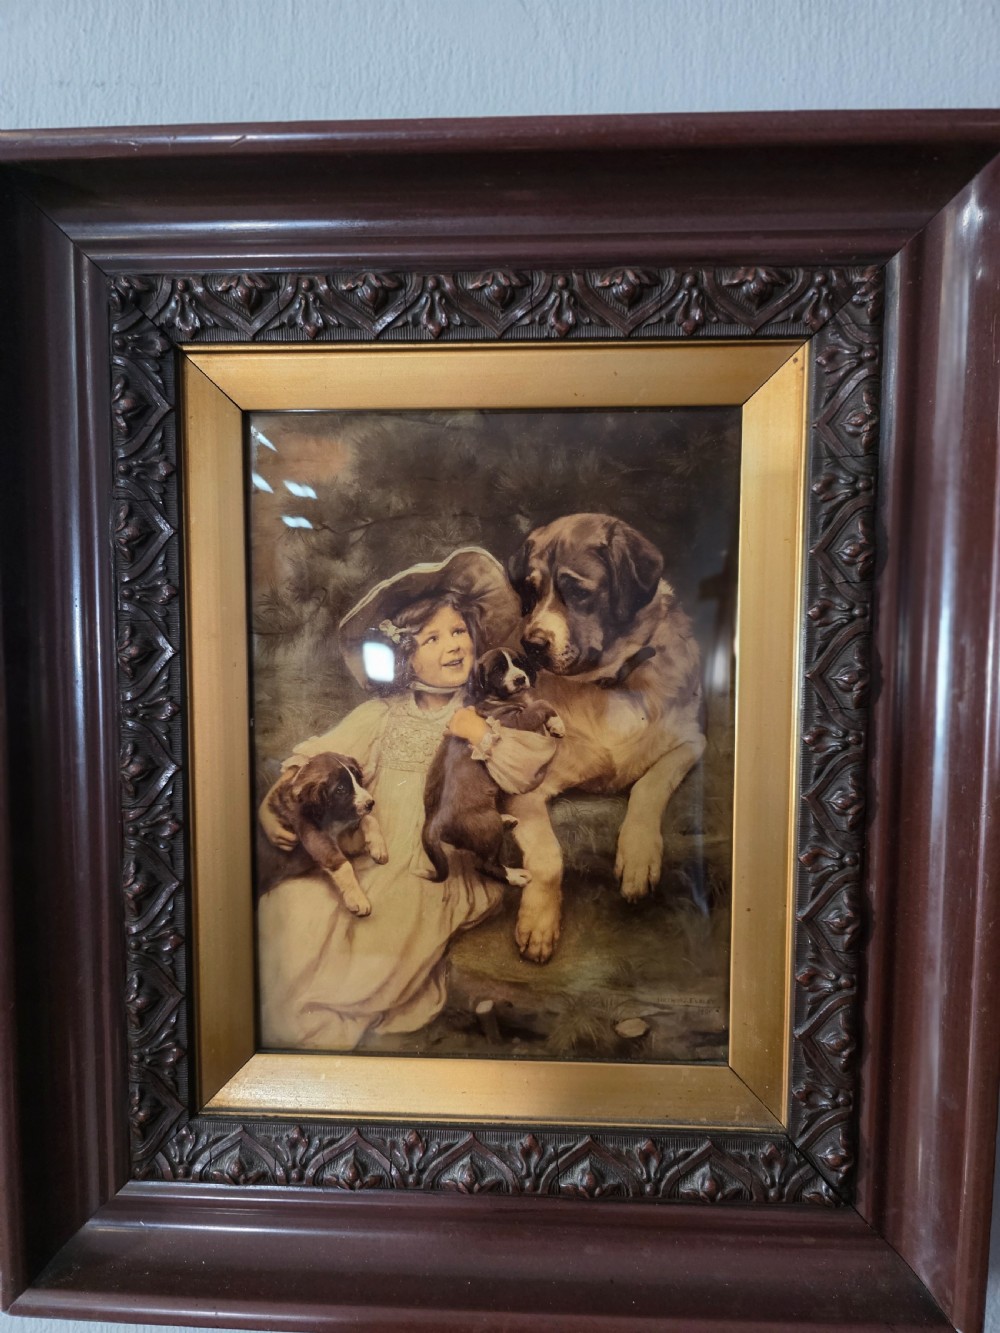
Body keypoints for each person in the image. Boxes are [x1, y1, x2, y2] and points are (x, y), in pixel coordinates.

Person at [256, 548, 557, 1051]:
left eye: (458, 631)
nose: (453, 646)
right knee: (296, 907)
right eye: (431, 639)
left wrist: (480, 734)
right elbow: (319, 757)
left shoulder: (490, 710)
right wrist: (273, 802)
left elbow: (526, 770)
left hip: (439, 864)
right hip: (371, 857)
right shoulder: (384, 714)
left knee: (386, 928)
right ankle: (282, 1034)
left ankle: (328, 1016)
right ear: (404, 657)